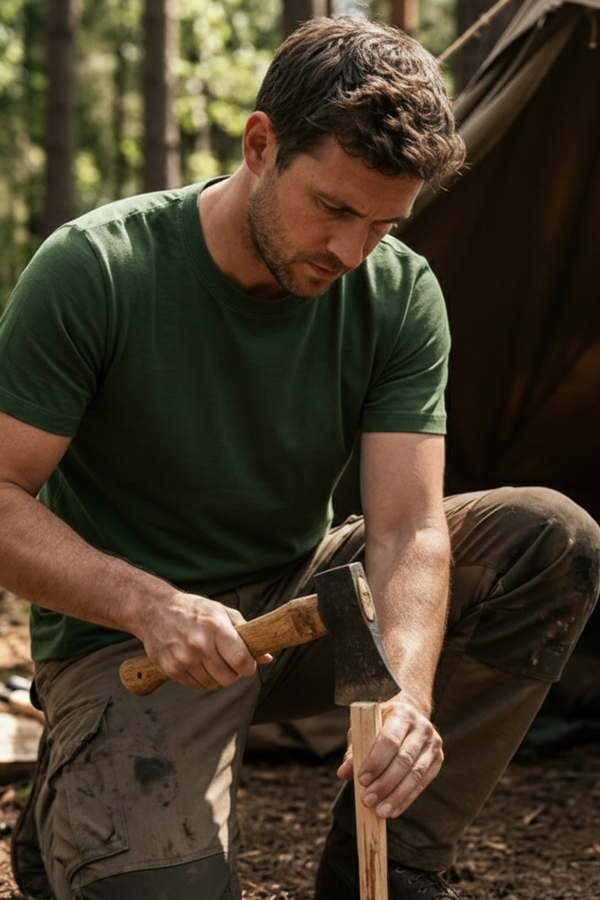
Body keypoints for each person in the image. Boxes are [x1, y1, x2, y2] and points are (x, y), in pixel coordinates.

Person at [1, 15, 599, 900]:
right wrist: (148, 603)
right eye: (335, 209)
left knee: (550, 538)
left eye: (385, 225)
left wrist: (406, 696)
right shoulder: (98, 268)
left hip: (304, 606)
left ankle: (398, 866)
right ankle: (72, 808)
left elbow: (408, 526)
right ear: (259, 144)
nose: (352, 253)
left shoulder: (398, 292)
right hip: (131, 642)